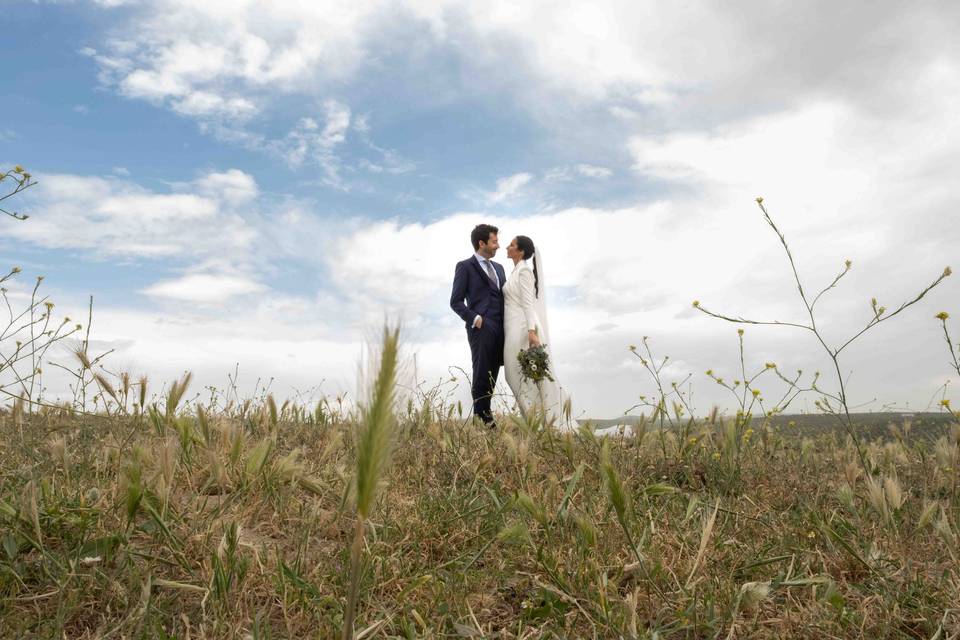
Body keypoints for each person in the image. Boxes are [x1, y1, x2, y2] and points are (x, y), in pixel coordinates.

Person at [502, 235, 578, 431]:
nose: (507, 247)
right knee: (515, 376)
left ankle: (541, 425)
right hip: (512, 328)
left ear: (520, 251)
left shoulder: (525, 271)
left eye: (511, 244)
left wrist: (532, 332)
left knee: (521, 376)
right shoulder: (515, 271)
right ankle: (534, 423)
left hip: (522, 329)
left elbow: (528, 304)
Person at [449, 224, 506, 427]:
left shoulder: (499, 268)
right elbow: (455, 302)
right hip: (481, 328)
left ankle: (485, 417)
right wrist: (476, 319)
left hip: (501, 328)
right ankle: (483, 419)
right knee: (482, 372)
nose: (498, 245)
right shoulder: (465, 266)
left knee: (493, 373)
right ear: (481, 243)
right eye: (494, 241)